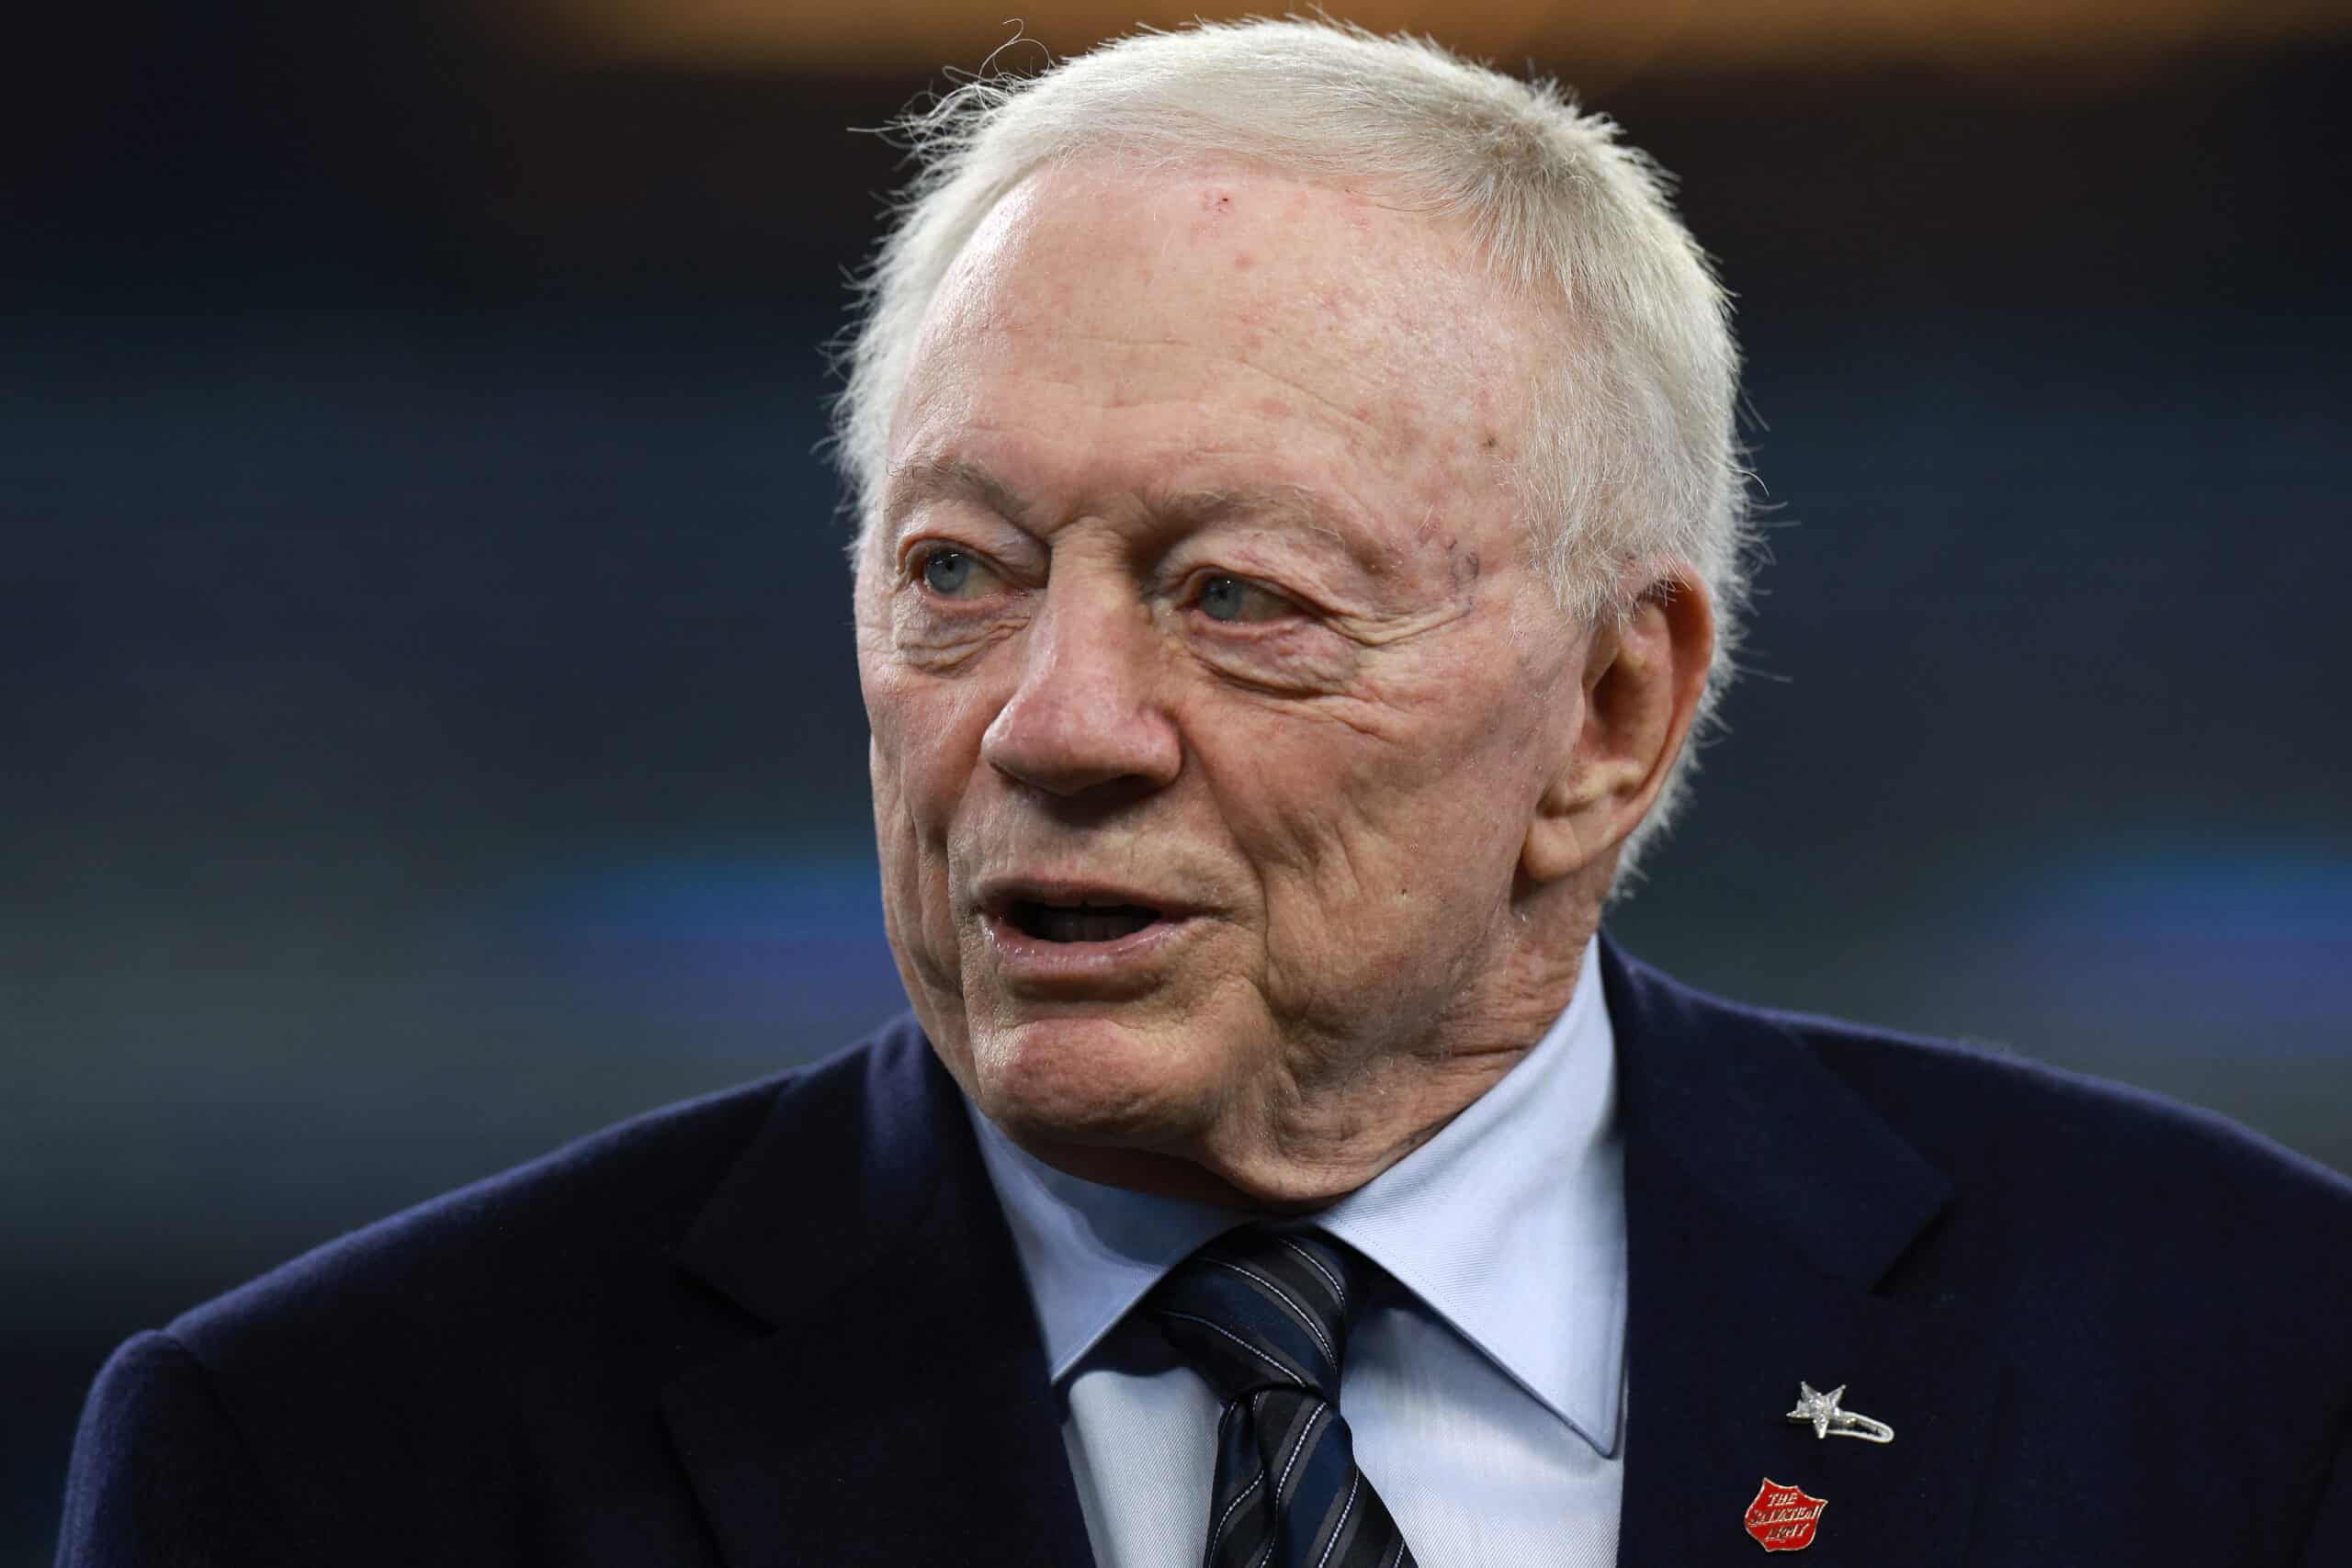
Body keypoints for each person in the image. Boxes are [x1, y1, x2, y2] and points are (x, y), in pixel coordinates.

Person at [57, 18, 2352, 1567]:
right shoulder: (332, 1456)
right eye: (955, 571)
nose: (1052, 721)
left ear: (1610, 714)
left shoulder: (2234, 1363)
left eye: (1236, 593)